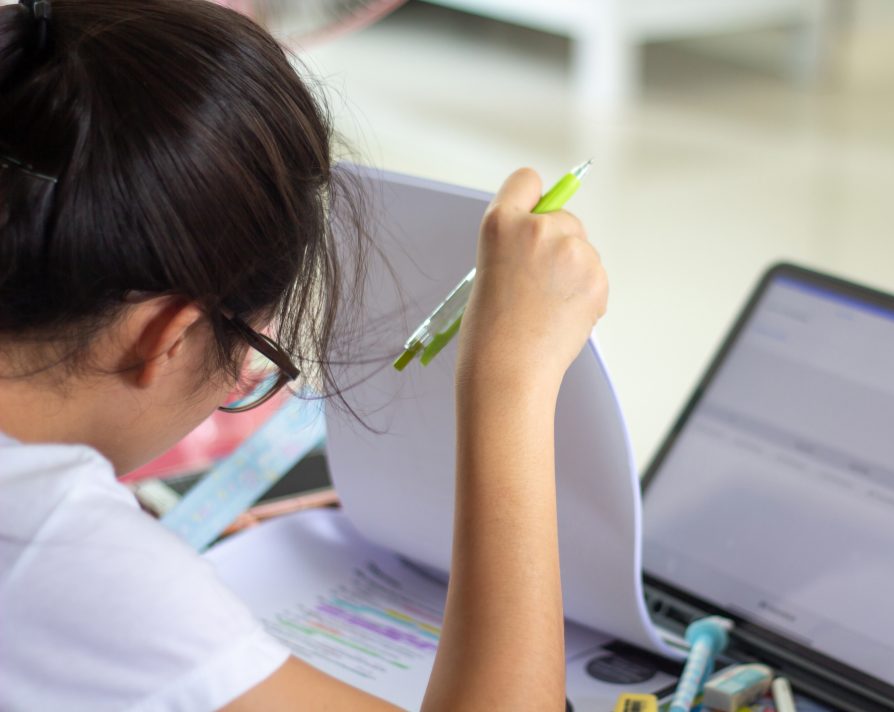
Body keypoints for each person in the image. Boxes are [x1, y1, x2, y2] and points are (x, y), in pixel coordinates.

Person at [0, 1, 608, 710]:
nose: (243, 377)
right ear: (162, 336)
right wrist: (512, 378)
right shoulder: (52, 547)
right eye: (256, 355)